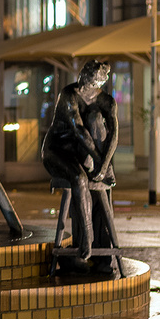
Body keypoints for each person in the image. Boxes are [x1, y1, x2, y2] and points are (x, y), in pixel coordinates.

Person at [41, 60, 119, 273]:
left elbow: (114, 135)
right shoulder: (69, 95)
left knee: (95, 122)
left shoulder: (107, 102)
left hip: (77, 154)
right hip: (56, 151)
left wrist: (105, 166)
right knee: (79, 179)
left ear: (98, 84)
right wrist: (103, 165)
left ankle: (94, 252)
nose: (82, 85)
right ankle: (86, 238)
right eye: (83, 78)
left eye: (88, 82)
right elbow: (80, 132)